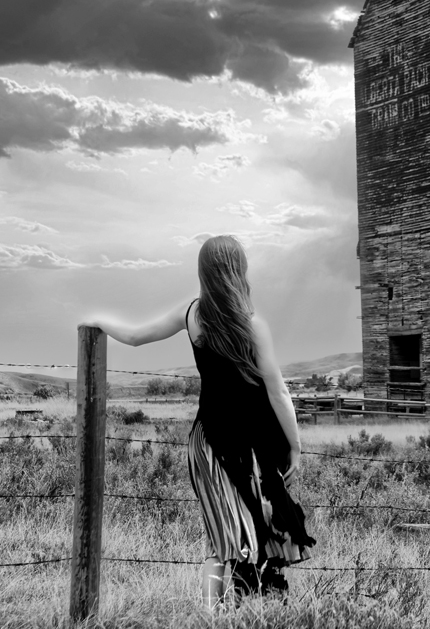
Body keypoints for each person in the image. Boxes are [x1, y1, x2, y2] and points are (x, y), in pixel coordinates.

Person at [84, 234, 314, 609]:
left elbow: (138, 336)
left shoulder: (192, 314)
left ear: (204, 271)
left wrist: (97, 321)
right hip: (246, 445)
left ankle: (215, 617)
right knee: (241, 534)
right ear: (239, 270)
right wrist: (295, 447)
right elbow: (278, 392)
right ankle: (221, 618)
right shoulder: (254, 325)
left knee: (224, 536)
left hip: (208, 443)